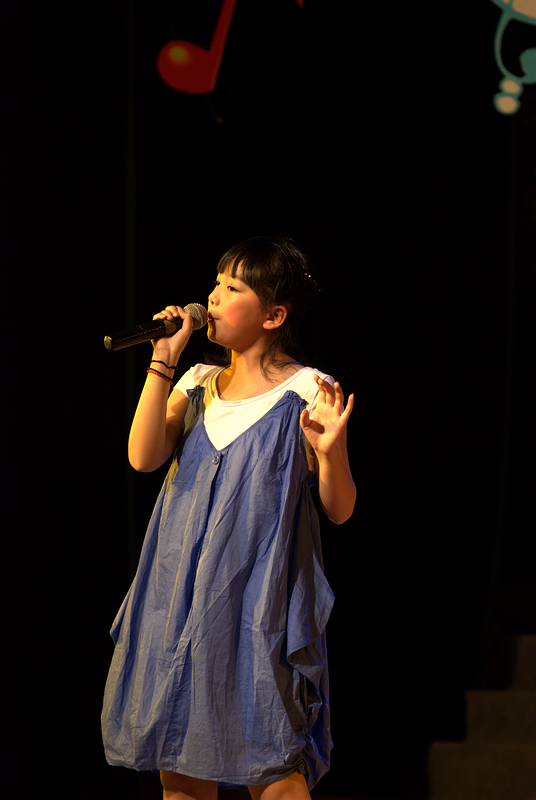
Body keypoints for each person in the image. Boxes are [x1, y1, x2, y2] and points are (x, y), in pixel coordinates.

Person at [101, 235, 356, 800]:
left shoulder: (307, 390)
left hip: (256, 607)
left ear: (274, 315)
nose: (213, 297)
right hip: (178, 599)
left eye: (233, 287)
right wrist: (163, 359)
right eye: (215, 283)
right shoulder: (194, 382)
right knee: (180, 769)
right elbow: (142, 456)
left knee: (276, 770)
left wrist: (332, 451)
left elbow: (339, 509)